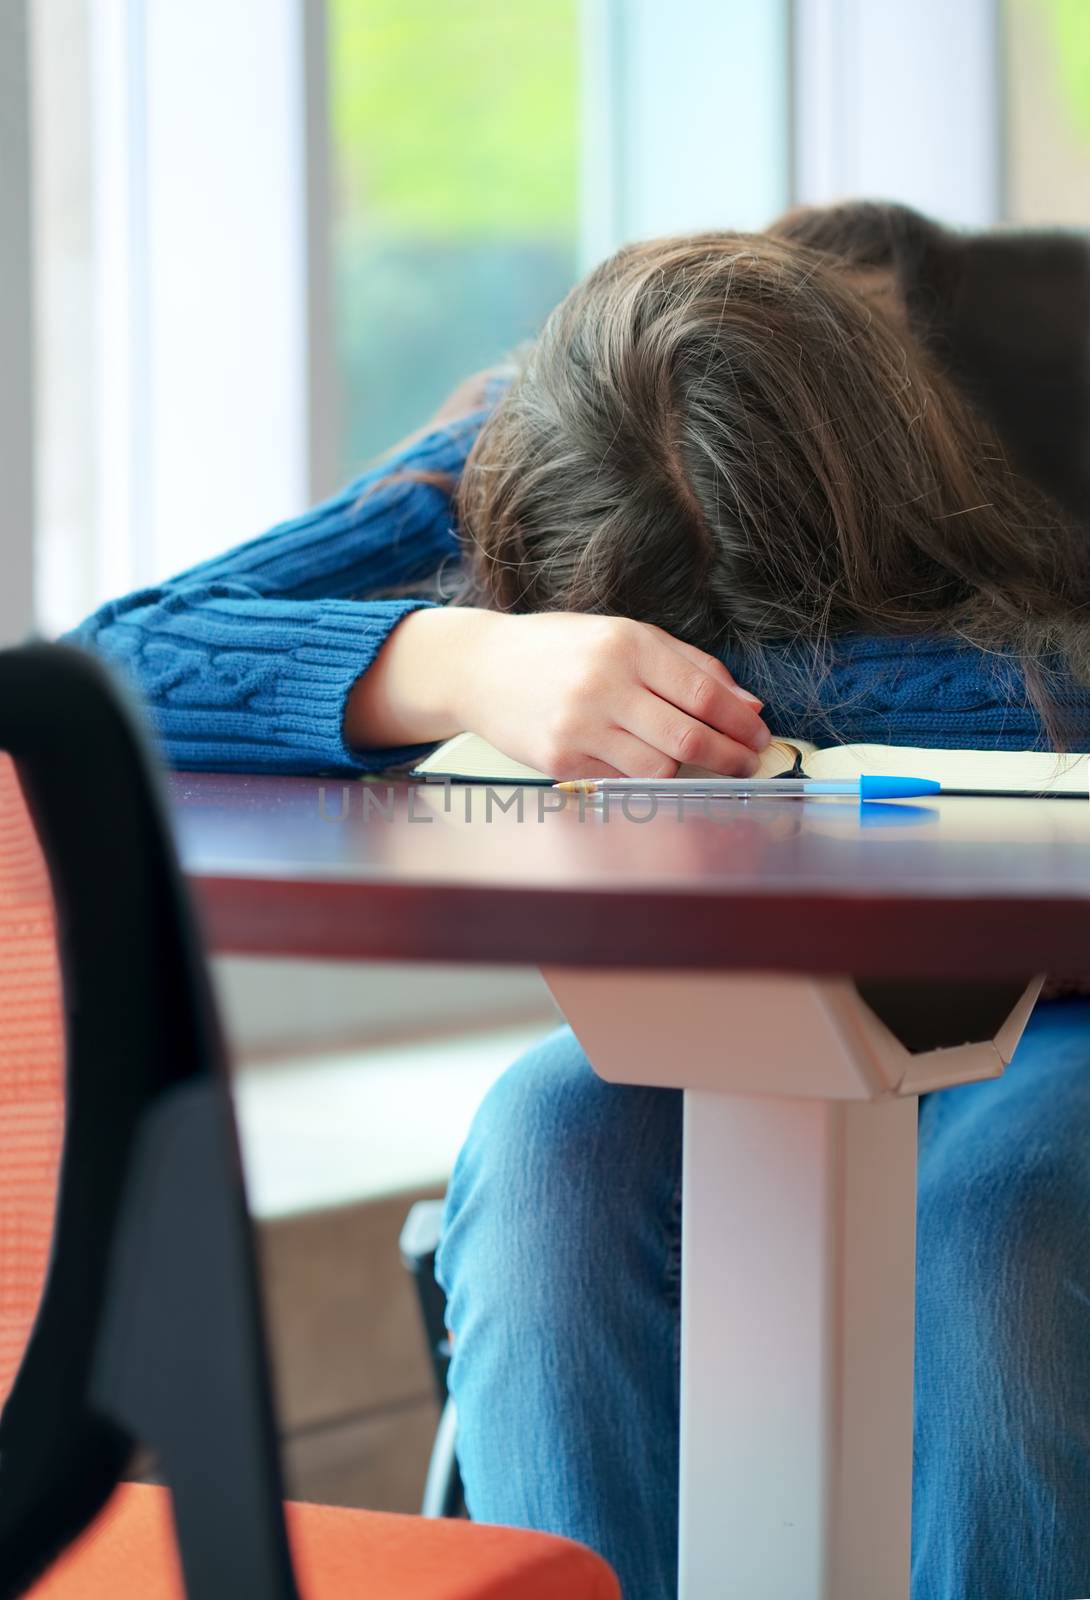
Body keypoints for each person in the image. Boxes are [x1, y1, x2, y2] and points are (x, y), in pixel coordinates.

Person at [67, 200, 1090, 1599]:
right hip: (741, 1001)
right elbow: (103, 670)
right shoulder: (583, 415)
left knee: (1003, 1216)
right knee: (548, 1147)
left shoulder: (1040, 393)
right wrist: (459, 663)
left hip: (1060, 996)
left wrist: (747, 698)